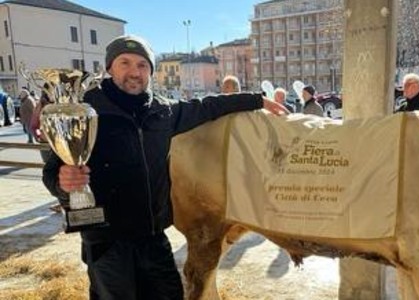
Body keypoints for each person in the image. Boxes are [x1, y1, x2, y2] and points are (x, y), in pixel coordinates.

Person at [41, 34, 287, 300]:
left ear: (150, 72)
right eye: (125, 63)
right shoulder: (86, 111)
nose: (134, 72)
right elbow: (53, 170)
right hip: (106, 241)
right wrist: (63, 182)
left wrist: (257, 100)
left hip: (153, 236)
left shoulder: (163, 111)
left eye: (142, 65)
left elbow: (208, 106)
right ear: (109, 68)